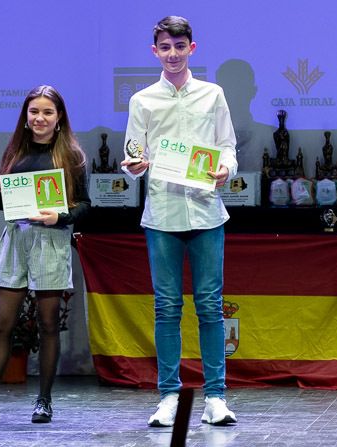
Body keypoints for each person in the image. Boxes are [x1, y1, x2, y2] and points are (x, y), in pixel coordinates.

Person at [121, 16, 238, 427]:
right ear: (155, 51)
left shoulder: (213, 94)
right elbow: (132, 154)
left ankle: (216, 397)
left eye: (180, 46)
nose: (173, 54)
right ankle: (169, 396)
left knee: (210, 306)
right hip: (162, 214)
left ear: (192, 48)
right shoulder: (142, 100)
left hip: (206, 211)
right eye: (165, 47)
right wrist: (134, 166)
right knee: (167, 307)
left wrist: (225, 169)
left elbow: (227, 146)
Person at [0, 85, 90, 424]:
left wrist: (59, 217)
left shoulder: (71, 156)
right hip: (16, 240)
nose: (40, 118)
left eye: (47, 112)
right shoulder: (16, 151)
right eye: (34, 111)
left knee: (48, 325)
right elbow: (5, 203)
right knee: (1, 324)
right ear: (25, 116)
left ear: (59, 118)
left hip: (51, 241)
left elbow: (85, 205)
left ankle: (43, 401)